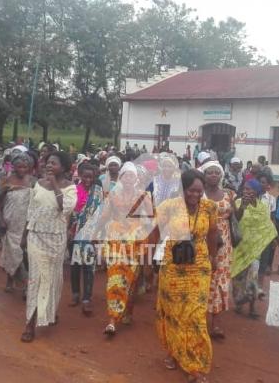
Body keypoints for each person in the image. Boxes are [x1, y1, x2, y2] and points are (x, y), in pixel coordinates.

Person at [152, 169, 218, 383]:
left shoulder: (209, 207)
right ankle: (173, 352)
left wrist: (213, 257)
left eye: (200, 192)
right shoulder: (169, 207)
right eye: (192, 191)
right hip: (173, 266)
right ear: (183, 189)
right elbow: (154, 232)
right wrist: (150, 256)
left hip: (199, 265)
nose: (196, 196)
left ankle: (196, 366)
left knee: (196, 315)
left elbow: (213, 232)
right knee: (174, 314)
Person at [20, 152, 77, 342]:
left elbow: (65, 208)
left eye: (54, 163)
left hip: (56, 239)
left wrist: (54, 184)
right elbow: (31, 210)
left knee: (52, 279)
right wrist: (24, 234)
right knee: (36, 279)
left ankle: (49, 311)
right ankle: (30, 323)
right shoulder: (37, 184)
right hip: (35, 237)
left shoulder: (70, 188)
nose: (49, 165)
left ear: (64, 167)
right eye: (48, 162)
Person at [99, 161, 153, 336]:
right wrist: (98, 236)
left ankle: (128, 311)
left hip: (135, 242)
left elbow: (152, 218)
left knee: (131, 279)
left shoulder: (145, 195)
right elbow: (104, 217)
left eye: (132, 175)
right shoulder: (112, 195)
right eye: (126, 175)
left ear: (136, 179)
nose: (129, 178)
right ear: (121, 178)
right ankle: (112, 320)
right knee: (115, 278)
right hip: (115, 239)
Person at [199, 161, 236, 340]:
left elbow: (235, 217)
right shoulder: (198, 194)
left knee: (220, 279)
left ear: (221, 175)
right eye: (209, 172)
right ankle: (199, 318)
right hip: (203, 239)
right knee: (202, 277)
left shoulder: (229, 194)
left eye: (216, 172)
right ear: (204, 176)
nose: (213, 175)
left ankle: (216, 321)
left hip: (225, 244)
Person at [231, 179, 277, 318]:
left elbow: (266, 225)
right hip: (240, 246)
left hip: (255, 248)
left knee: (253, 277)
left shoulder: (263, 207)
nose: (246, 191)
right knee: (238, 276)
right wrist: (243, 207)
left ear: (256, 192)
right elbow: (235, 221)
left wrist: (273, 240)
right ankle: (238, 302)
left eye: (250, 189)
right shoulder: (238, 203)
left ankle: (252, 307)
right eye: (245, 189)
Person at [0, 153, 36, 293]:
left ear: (29, 167)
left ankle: (26, 284)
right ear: (13, 166)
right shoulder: (6, 181)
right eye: (19, 166)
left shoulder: (32, 181)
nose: (22, 169)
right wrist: (1, 220)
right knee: (10, 252)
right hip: (10, 223)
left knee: (25, 253)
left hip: (26, 223)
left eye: (25, 167)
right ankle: (10, 279)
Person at [69, 162, 102, 316]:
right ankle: (75, 294)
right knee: (75, 265)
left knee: (89, 266)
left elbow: (102, 212)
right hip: (75, 233)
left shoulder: (98, 191)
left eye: (91, 177)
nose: (88, 179)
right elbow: (70, 212)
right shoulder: (74, 190)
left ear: (94, 177)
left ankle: (87, 298)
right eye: (85, 176)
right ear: (80, 175)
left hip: (91, 234)